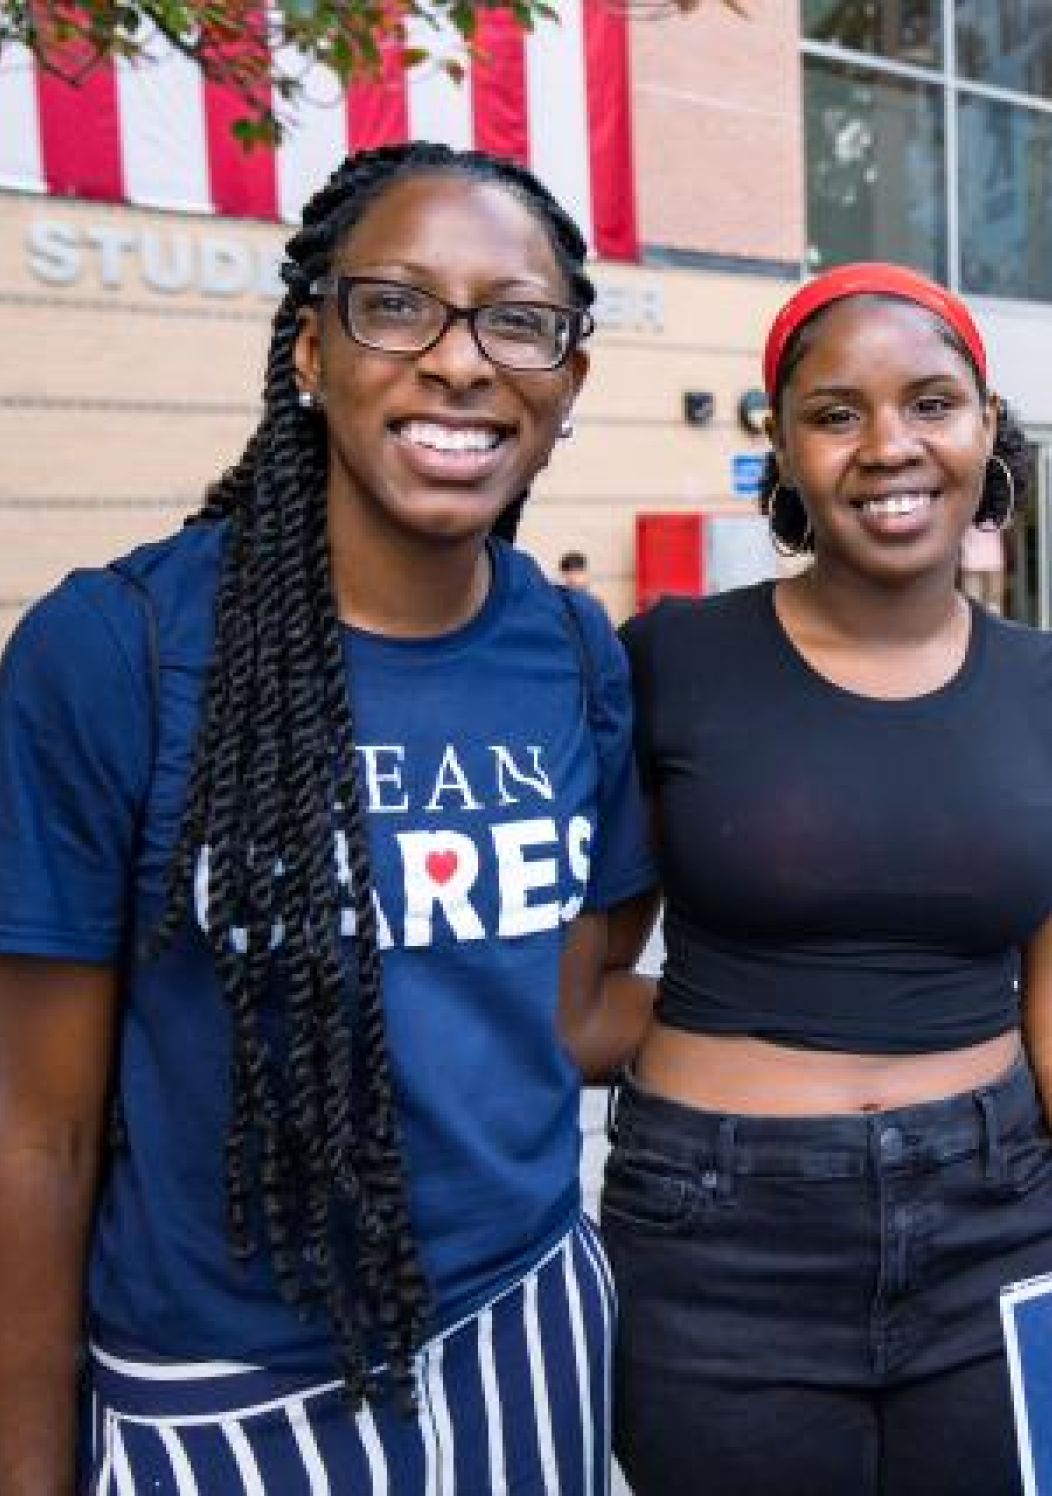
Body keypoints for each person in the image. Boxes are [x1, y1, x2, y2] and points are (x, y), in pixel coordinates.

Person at [0, 143, 655, 1492]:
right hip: (219, 1395)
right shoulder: (112, 651)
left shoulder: (580, 658)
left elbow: (573, 1007)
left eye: (516, 319)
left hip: (528, 1331)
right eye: (398, 304)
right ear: (311, 352)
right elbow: (35, 1132)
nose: (461, 360)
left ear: (568, 379)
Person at [605, 262, 1052, 1496]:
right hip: (720, 1232)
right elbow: (574, 995)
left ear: (985, 428)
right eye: (836, 412)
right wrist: (761, 1022)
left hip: (997, 1217)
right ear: (785, 450)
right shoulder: (670, 660)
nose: (888, 446)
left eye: (930, 402)